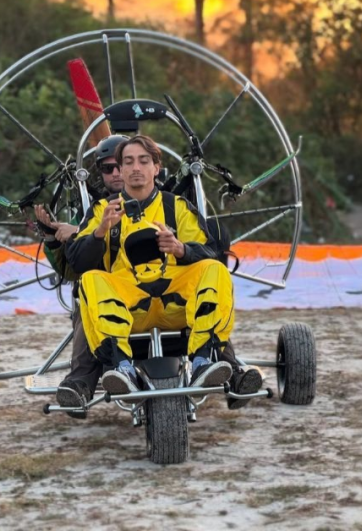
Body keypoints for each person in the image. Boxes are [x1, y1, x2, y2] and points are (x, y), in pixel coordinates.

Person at [65, 134, 244, 395]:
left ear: (156, 168)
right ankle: (121, 367)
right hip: (127, 306)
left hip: (177, 303)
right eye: (128, 162)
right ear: (121, 169)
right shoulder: (102, 209)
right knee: (90, 279)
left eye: (143, 161)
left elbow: (210, 252)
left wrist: (180, 248)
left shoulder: (177, 207)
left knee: (216, 270)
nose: (136, 168)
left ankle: (204, 361)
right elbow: (77, 261)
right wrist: (101, 230)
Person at [34, 134, 128, 414]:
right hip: (106, 297)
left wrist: (79, 232)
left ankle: (227, 369)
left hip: (151, 291)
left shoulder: (166, 203)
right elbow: (72, 269)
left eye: (122, 165)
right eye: (108, 168)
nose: (116, 173)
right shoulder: (94, 210)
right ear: (99, 172)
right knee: (90, 293)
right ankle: (79, 385)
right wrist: (54, 239)